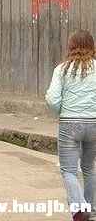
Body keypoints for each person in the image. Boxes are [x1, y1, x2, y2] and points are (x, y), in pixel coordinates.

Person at [46, 30, 96, 221]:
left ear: (70, 47)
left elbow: (52, 99)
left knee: (68, 170)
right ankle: (91, 210)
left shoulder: (62, 70)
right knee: (89, 168)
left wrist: (62, 111)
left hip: (69, 124)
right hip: (93, 123)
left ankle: (80, 208)